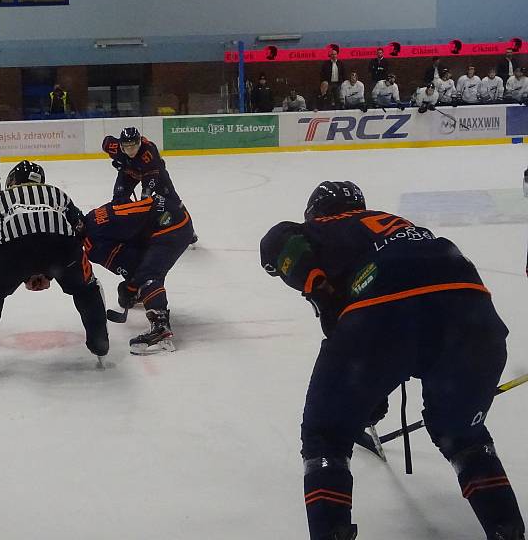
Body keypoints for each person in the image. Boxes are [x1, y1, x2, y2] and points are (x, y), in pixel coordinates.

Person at [259, 181, 525, 540]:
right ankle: (507, 531)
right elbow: (420, 308)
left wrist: (317, 288)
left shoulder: (323, 228)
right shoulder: (398, 226)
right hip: (474, 317)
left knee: (326, 436)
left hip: (382, 317)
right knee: (464, 435)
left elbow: (277, 240)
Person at [0, 161, 109, 367]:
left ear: (13, 180)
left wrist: (23, 272)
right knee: (87, 288)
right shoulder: (57, 193)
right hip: (62, 248)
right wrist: (52, 270)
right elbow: (80, 228)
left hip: (13, 251)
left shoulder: (0, 199)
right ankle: (99, 340)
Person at [82, 194, 193, 354]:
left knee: (147, 276)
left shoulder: (93, 245)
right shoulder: (94, 215)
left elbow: (134, 266)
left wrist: (130, 288)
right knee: (146, 271)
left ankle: (161, 327)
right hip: (171, 213)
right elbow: (125, 203)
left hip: (171, 227)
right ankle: (145, 295)